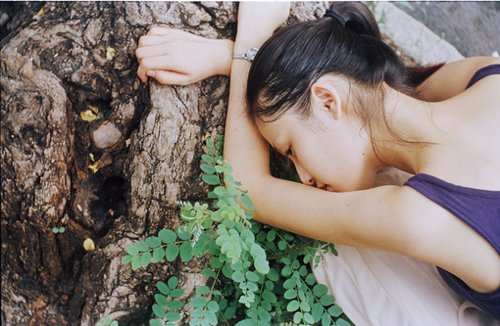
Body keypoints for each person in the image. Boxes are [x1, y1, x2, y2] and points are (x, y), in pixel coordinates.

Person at [135, 2, 500, 324]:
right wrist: (231, 56)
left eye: (290, 149)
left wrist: (251, 42)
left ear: (328, 101)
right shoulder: (488, 78)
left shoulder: (417, 217)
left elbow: (249, 190)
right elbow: (398, 87)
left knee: (340, 256)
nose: (303, 177)